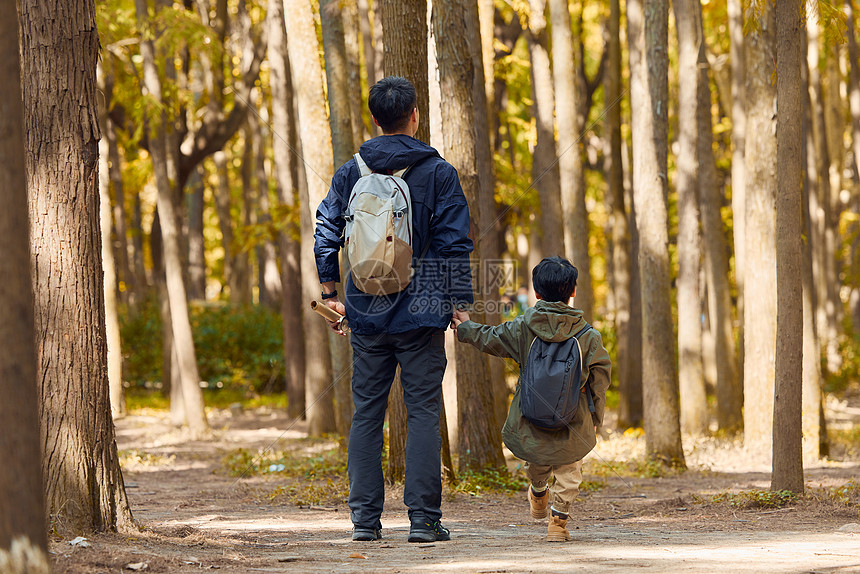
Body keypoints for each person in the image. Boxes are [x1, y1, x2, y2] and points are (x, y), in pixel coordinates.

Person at [314, 76, 474, 543]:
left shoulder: (351, 172)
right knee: (423, 410)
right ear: (415, 116)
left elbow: (326, 229)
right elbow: (453, 243)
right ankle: (424, 521)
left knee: (367, 411)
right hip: (423, 307)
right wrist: (459, 303)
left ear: (375, 118)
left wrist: (329, 292)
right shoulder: (439, 172)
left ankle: (365, 522)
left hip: (364, 305)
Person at [451, 256, 611, 542]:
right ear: (573, 291)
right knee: (569, 471)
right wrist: (596, 417)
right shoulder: (589, 337)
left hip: (530, 415)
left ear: (536, 293)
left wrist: (465, 326)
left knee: (536, 460)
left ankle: (538, 491)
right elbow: (600, 382)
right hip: (574, 418)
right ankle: (558, 525)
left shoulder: (523, 328)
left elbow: (491, 337)